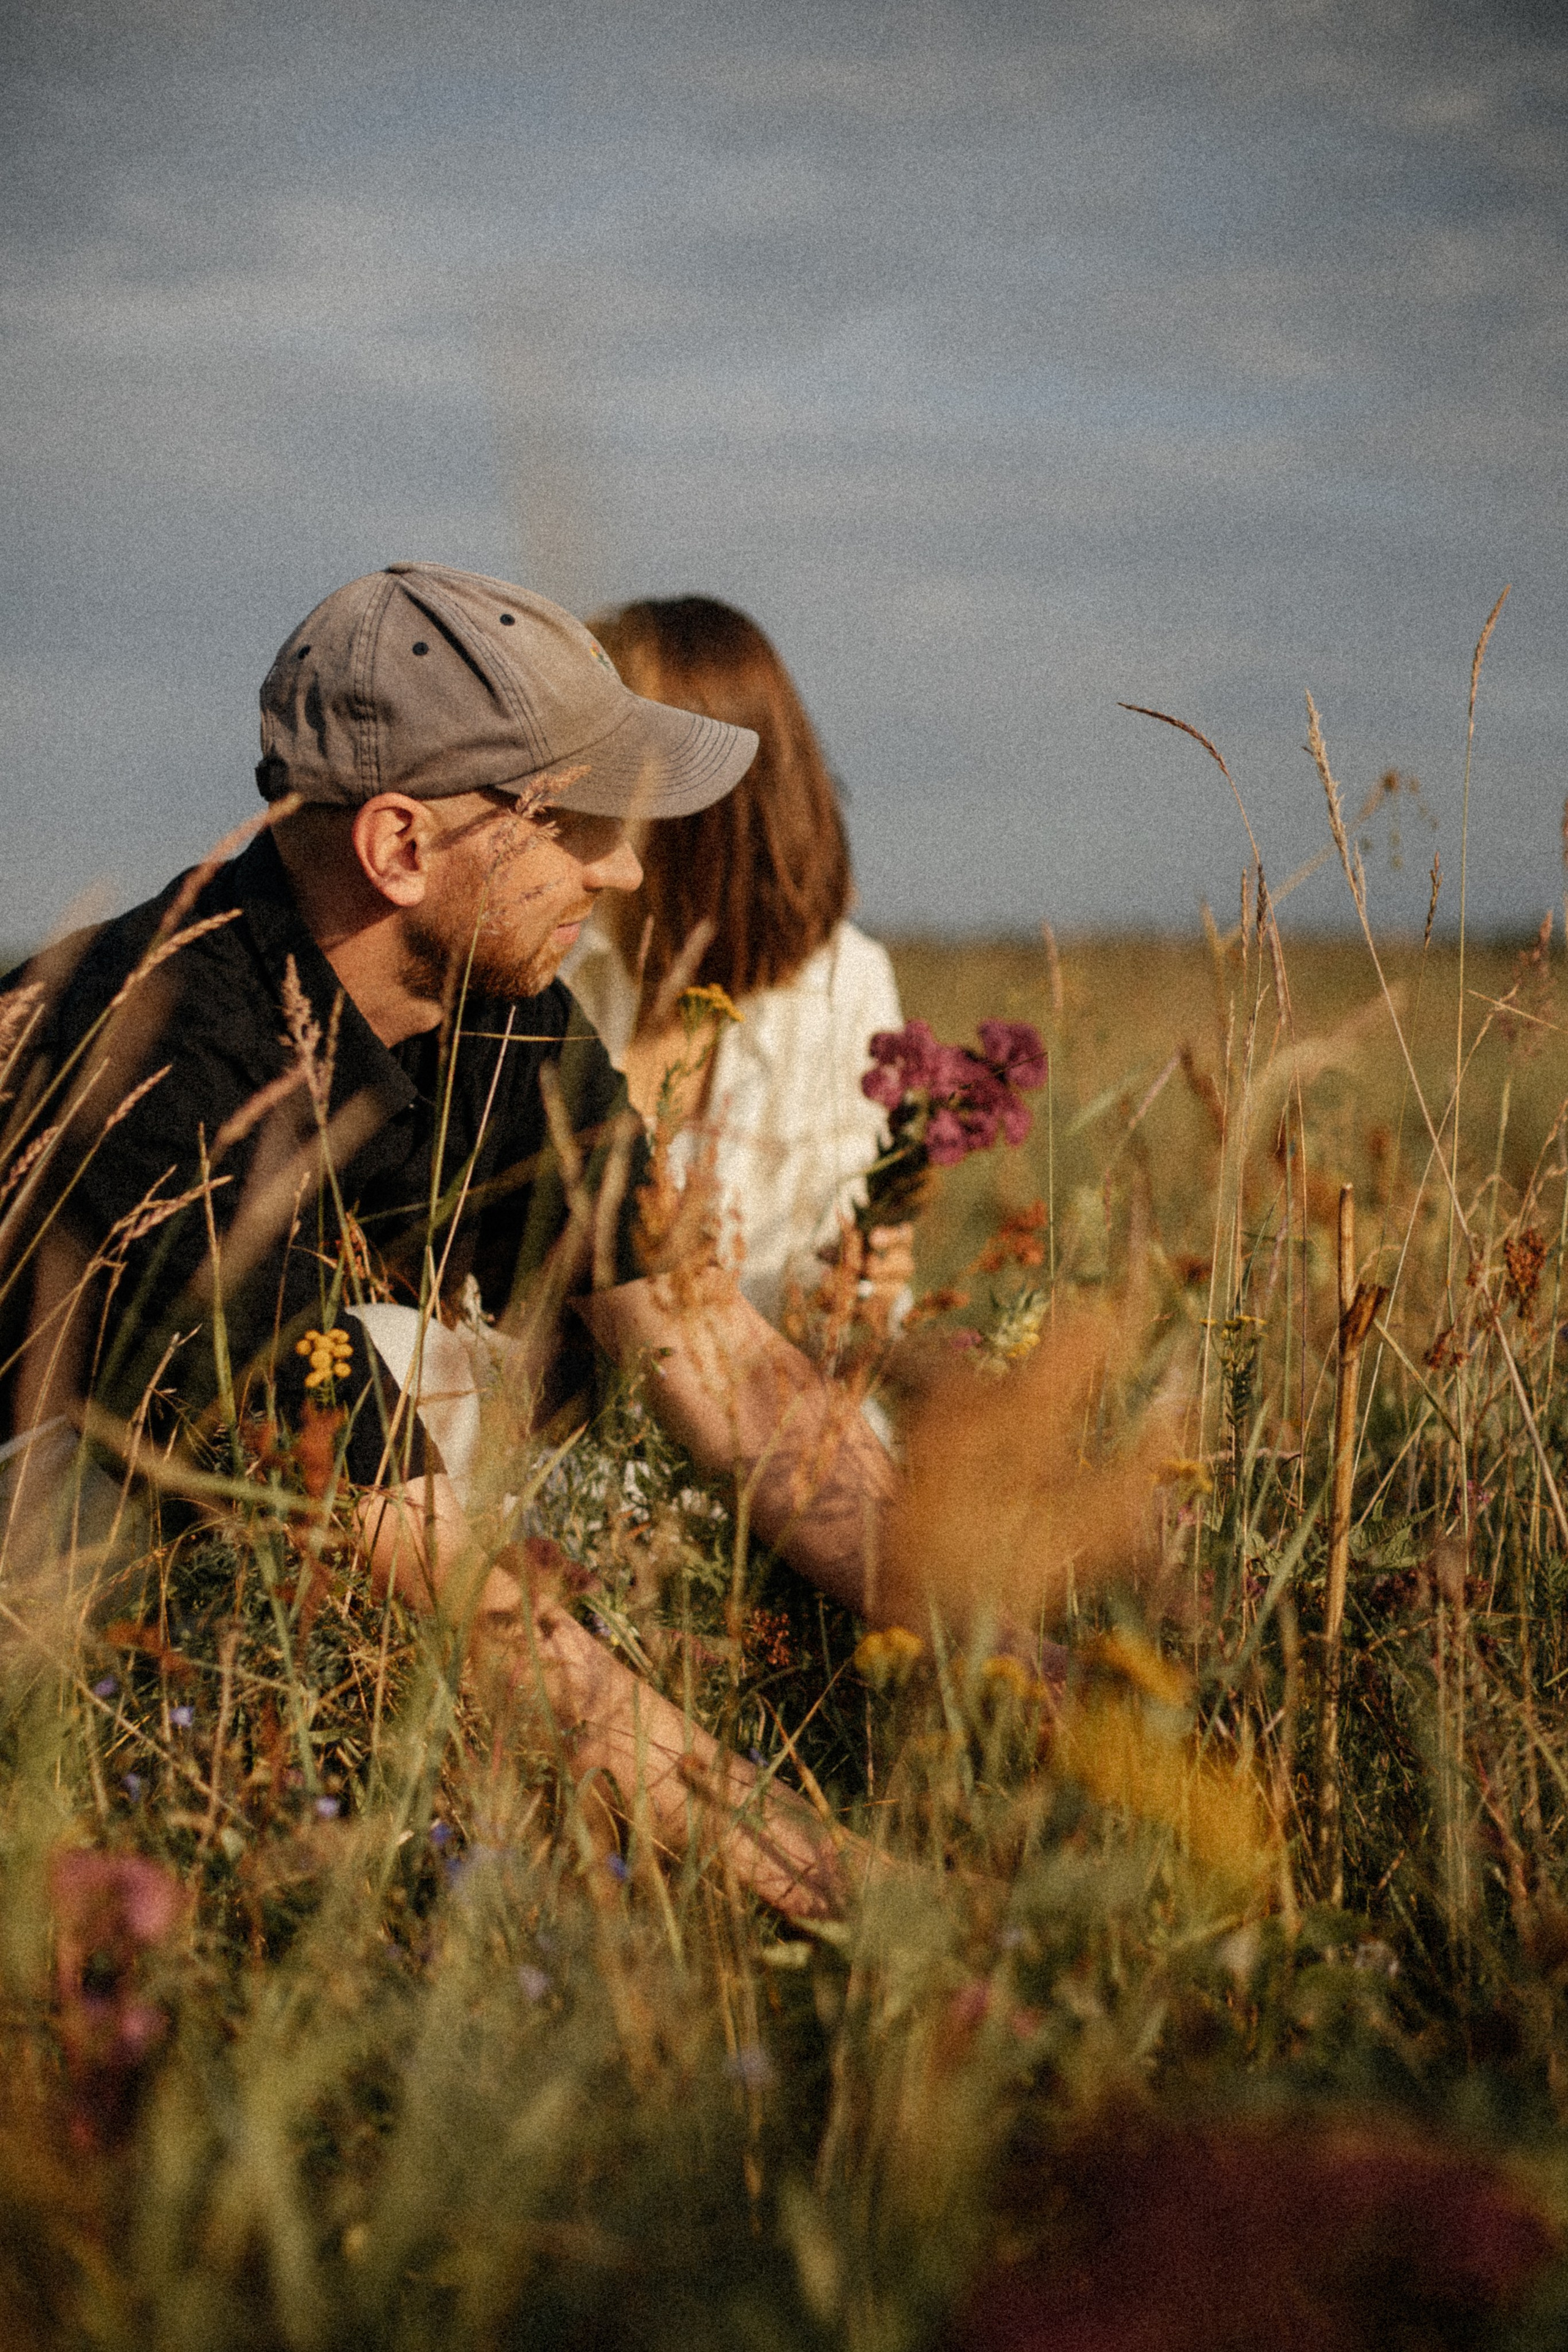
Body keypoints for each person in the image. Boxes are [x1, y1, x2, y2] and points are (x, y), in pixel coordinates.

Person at [0, 562, 907, 1918]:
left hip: (240, 1528)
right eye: (578, 822)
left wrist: (1001, 1647)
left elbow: (718, 1356)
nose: (625, 866)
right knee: (412, 1371)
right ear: (401, 849)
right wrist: (848, 1889)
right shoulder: (150, 1069)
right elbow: (448, 1590)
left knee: (481, 1387)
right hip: (51, 1564)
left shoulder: (490, 989)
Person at [560, 597, 913, 1340]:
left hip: (755, 1379)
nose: (570, 774)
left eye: (611, 744)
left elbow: (836, 1294)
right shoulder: (554, 955)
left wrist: (864, 1284)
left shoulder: (843, 987)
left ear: (712, 790)